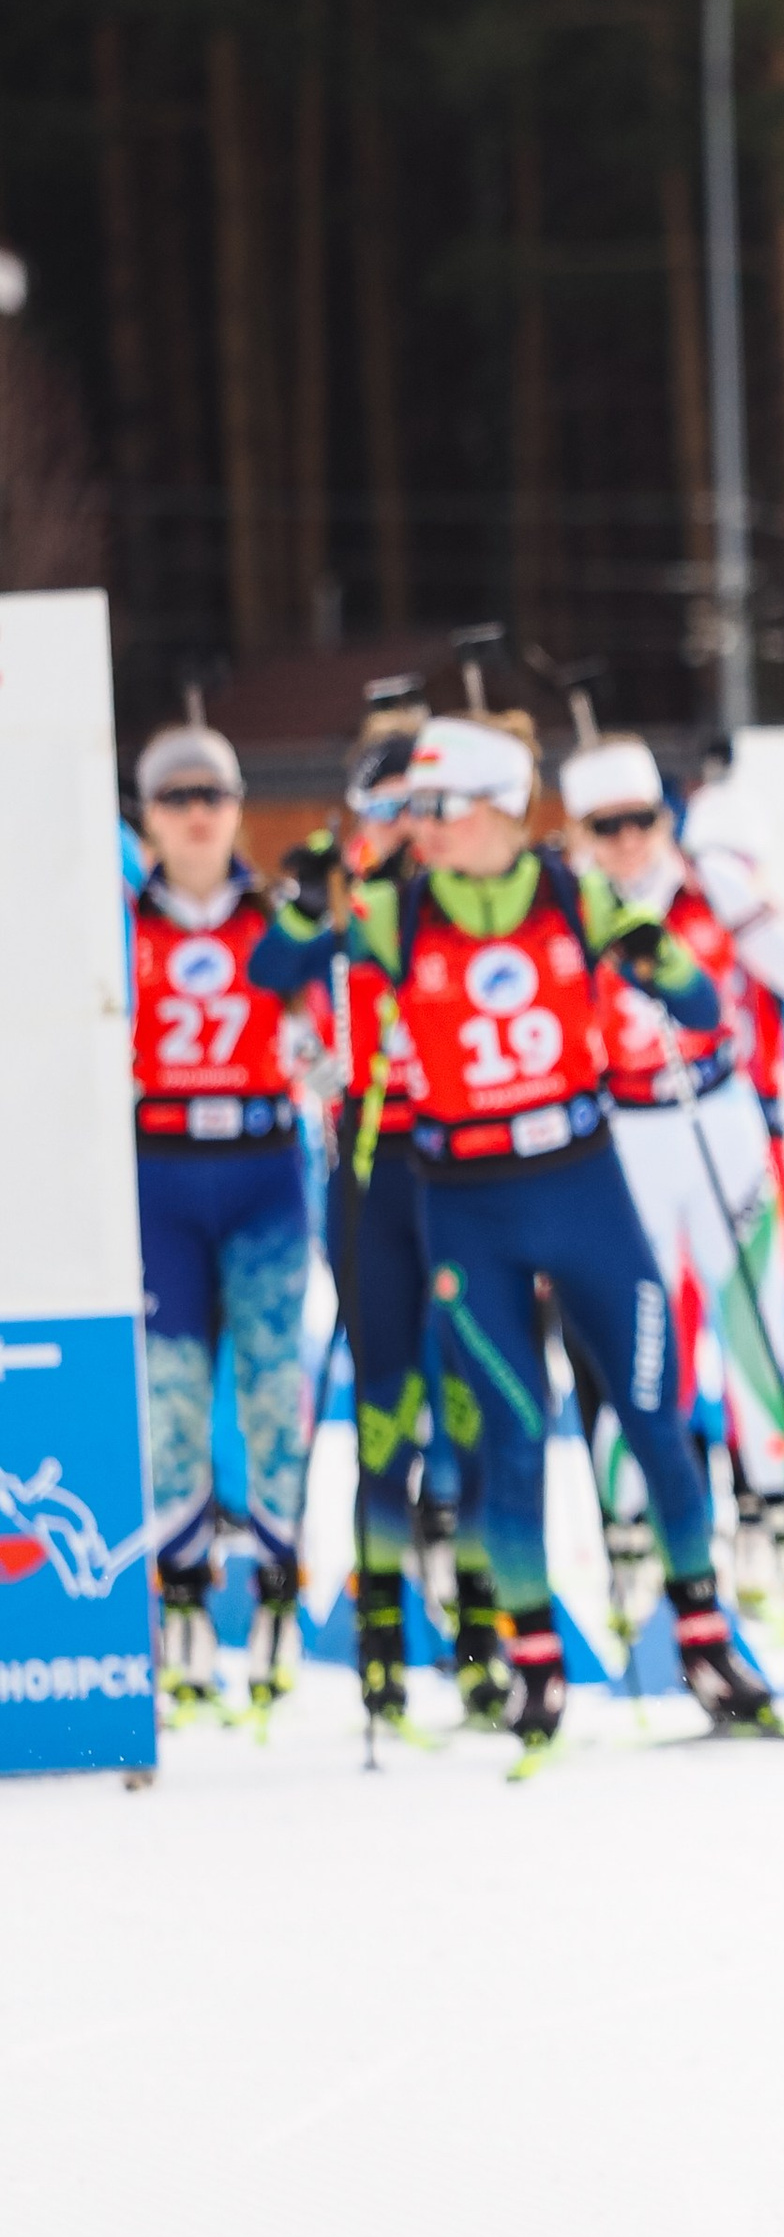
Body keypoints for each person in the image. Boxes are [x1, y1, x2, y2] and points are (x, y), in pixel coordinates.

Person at [323, 710, 778, 1755]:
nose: (422, 825)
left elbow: (702, 1004)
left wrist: (661, 963)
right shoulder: (394, 911)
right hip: (464, 1201)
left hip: (581, 1185)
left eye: (441, 807)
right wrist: (339, 933)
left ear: (497, 810)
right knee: (512, 1434)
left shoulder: (573, 893)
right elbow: (328, 1001)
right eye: (416, 808)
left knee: (654, 1413)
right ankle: (533, 1663)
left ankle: (706, 1639)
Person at [254, 713, 504, 1731]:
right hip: (366, 1166)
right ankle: (383, 1642)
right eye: (386, 808)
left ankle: (486, 1632)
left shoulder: (457, 891)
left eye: (418, 807)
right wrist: (316, 904)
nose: (406, 826)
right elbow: (271, 975)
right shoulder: (345, 886)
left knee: (478, 1401)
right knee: (384, 1409)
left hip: (463, 1168)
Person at [559, 732, 784, 1628]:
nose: (630, 840)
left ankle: (783, 1533)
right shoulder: (569, 906)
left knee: (757, 1331)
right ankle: (632, 1547)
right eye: (608, 826)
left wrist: (747, 907)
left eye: (642, 821)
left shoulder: (708, 885)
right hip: (626, 1136)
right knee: (640, 1338)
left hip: (721, 1118)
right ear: (583, 831)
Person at [128, 722, 321, 1715]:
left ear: (239, 807)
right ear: (148, 817)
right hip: (158, 1173)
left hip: (260, 1172)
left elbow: (325, 1033)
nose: (198, 816)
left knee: (271, 1382)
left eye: (214, 796)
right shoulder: (120, 921)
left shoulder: (276, 916)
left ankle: (282, 1590)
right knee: (171, 1394)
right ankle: (186, 1600)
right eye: (176, 799)